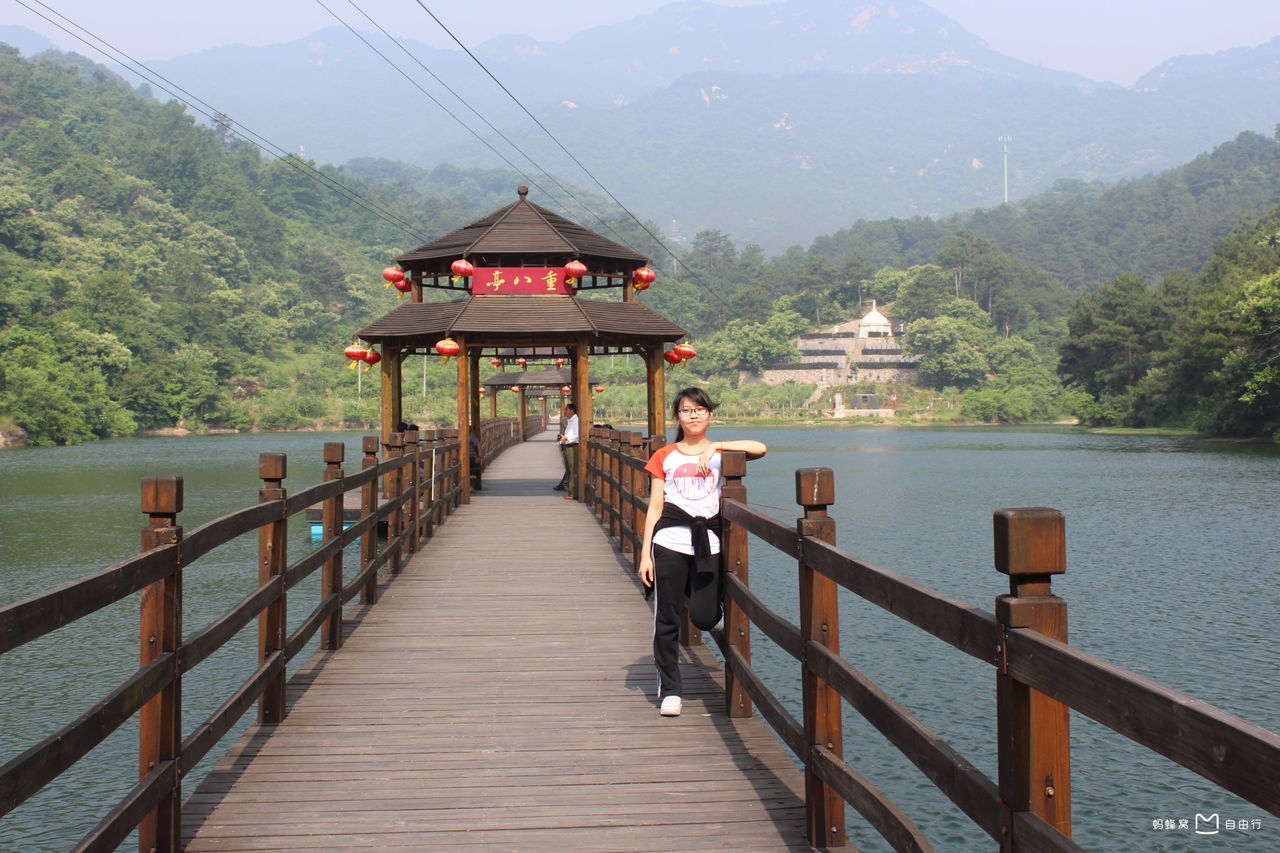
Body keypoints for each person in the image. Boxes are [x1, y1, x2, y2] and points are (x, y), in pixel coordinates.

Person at [637, 388, 766, 717]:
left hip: (708, 542)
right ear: (677, 417)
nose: (692, 415)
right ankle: (670, 690)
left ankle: (711, 616)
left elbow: (760, 448)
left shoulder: (722, 453)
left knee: (706, 616)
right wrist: (645, 554)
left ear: (710, 415)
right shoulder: (664, 456)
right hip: (669, 542)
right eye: (685, 410)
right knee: (666, 619)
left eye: (699, 409)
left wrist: (717, 448)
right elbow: (654, 505)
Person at [557, 402, 579, 500]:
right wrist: (564, 437)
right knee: (569, 469)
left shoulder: (576, 421)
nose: (565, 412)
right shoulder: (570, 421)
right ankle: (571, 492)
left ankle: (574, 493)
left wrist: (566, 438)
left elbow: (577, 435)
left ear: (572, 411)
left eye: (566, 410)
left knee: (573, 469)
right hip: (568, 445)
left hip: (573, 446)